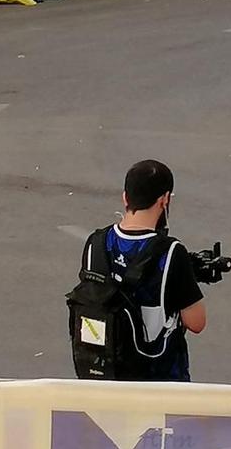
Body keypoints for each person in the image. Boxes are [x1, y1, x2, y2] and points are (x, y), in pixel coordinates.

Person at [76, 160, 208, 380]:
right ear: (164, 200)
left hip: (103, 374)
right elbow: (196, 322)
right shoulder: (171, 252)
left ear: (125, 197)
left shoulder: (96, 243)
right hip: (156, 380)